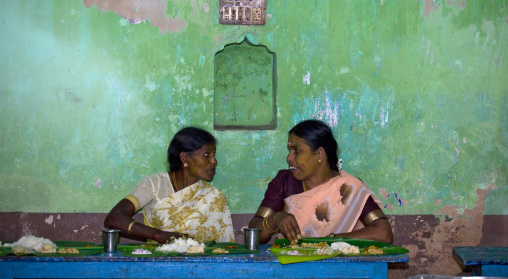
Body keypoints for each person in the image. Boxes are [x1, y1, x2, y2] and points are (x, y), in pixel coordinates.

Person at [248, 119, 393, 245]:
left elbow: (383, 233)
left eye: (296, 151)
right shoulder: (284, 182)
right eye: (289, 150)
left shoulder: (348, 188)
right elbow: (255, 233)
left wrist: (330, 242)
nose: (289, 157)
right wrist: (275, 219)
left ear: (319, 154)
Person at [104, 127, 235, 244]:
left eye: (214, 155)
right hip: (157, 263)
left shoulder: (214, 196)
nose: (214, 161)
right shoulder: (155, 184)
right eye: (207, 154)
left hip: (203, 265)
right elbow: (114, 218)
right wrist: (159, 235)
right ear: (184, 157)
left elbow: (226, 247)